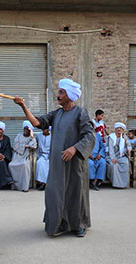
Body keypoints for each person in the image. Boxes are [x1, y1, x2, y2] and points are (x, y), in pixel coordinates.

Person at [14, 78, 95, 237]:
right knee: (54, 192)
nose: (58, 95)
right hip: (58, 162)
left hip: (75, 162)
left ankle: (78, 225)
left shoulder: (81, 113)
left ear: (70, 96)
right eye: (59, 92)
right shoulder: (56, 114)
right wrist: (23, 106)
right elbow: (37, 122)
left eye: (61, 92)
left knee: (76, 193)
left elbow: (90, 136)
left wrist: (74, 148)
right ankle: (57, 224)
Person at [9, 121, 38, 192]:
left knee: (24, 165)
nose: (25, 130)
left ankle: (25, 187)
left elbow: (34, 146)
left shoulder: (32, 138)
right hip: (17, 156)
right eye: (24, 129)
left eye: (27, 129)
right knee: (11, 165)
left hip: (26, 157)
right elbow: (15, 146)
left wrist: (32, 136)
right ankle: (16, 185)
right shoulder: (19, 136)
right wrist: (25, 146)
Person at [106, 122, 131, 189]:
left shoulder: (124, 137)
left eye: (121, 129)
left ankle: (124, 184)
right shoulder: (111, 137)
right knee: (114, 165)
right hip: (111, 156)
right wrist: (113, 158)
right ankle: (116, 184)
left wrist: (128, 149)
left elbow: (128, 145)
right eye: (118, 129)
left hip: (121, 156)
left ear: (123, 130)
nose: (119, 130)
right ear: (115, 130)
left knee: (125, 163)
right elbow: (110, 149)